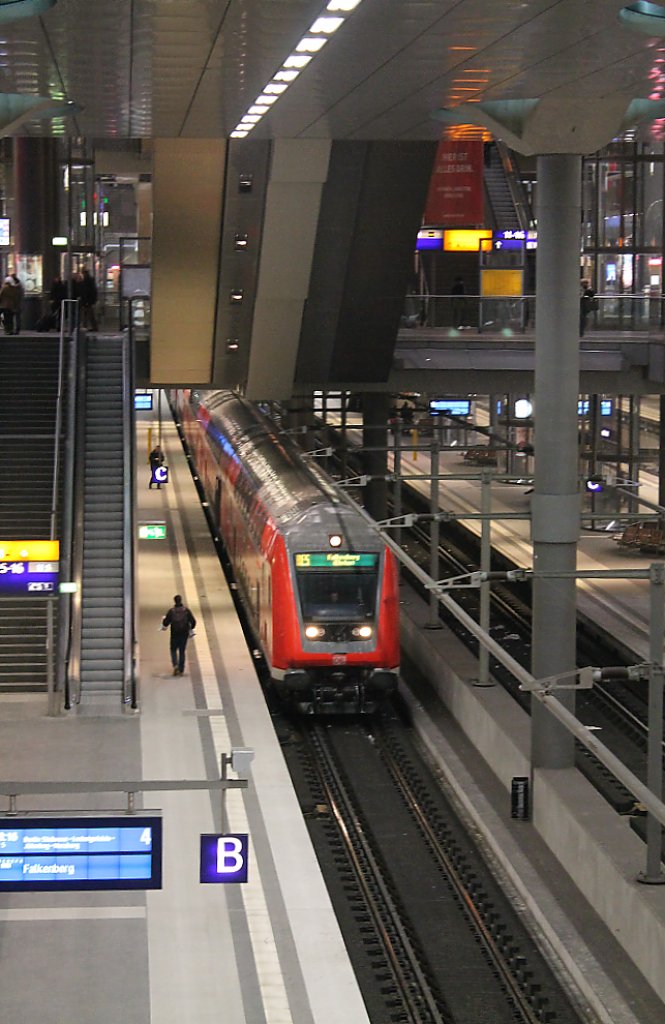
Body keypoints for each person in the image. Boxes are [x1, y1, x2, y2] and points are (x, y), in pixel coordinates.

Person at [162, 595, 196, 676]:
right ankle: (181, 669)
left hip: (174, 633)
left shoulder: (171, 611)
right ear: (181, 600)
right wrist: (190, 628)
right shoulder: (186, 611)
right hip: (184, 633)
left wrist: (164, 621)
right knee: (182, 651)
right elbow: (193, 621)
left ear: (174, 601)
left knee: (173, 649)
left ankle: (175, 665)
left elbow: (165, 623)